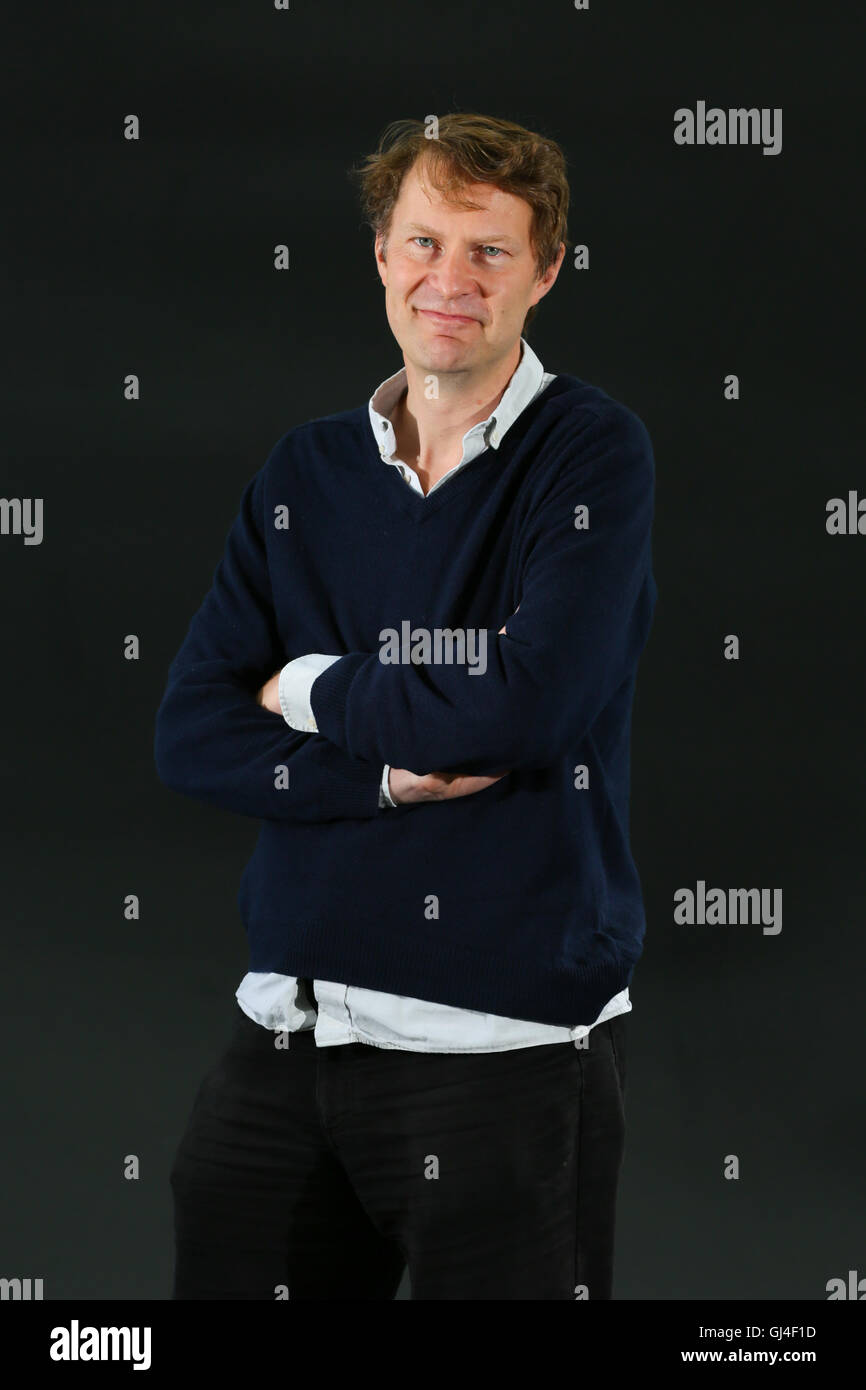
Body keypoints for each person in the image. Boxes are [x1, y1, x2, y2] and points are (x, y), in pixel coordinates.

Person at [154, 111, 658, 1300]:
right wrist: (378, 771)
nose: (450, 280)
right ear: (381, 253)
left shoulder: (590, 457)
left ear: (544, 272)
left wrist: (313, 687)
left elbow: (521, 709)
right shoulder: (302, 475)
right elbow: (190, 731)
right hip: (286, 1031)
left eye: (488, 251)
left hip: (501, 1051)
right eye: (424, 242)